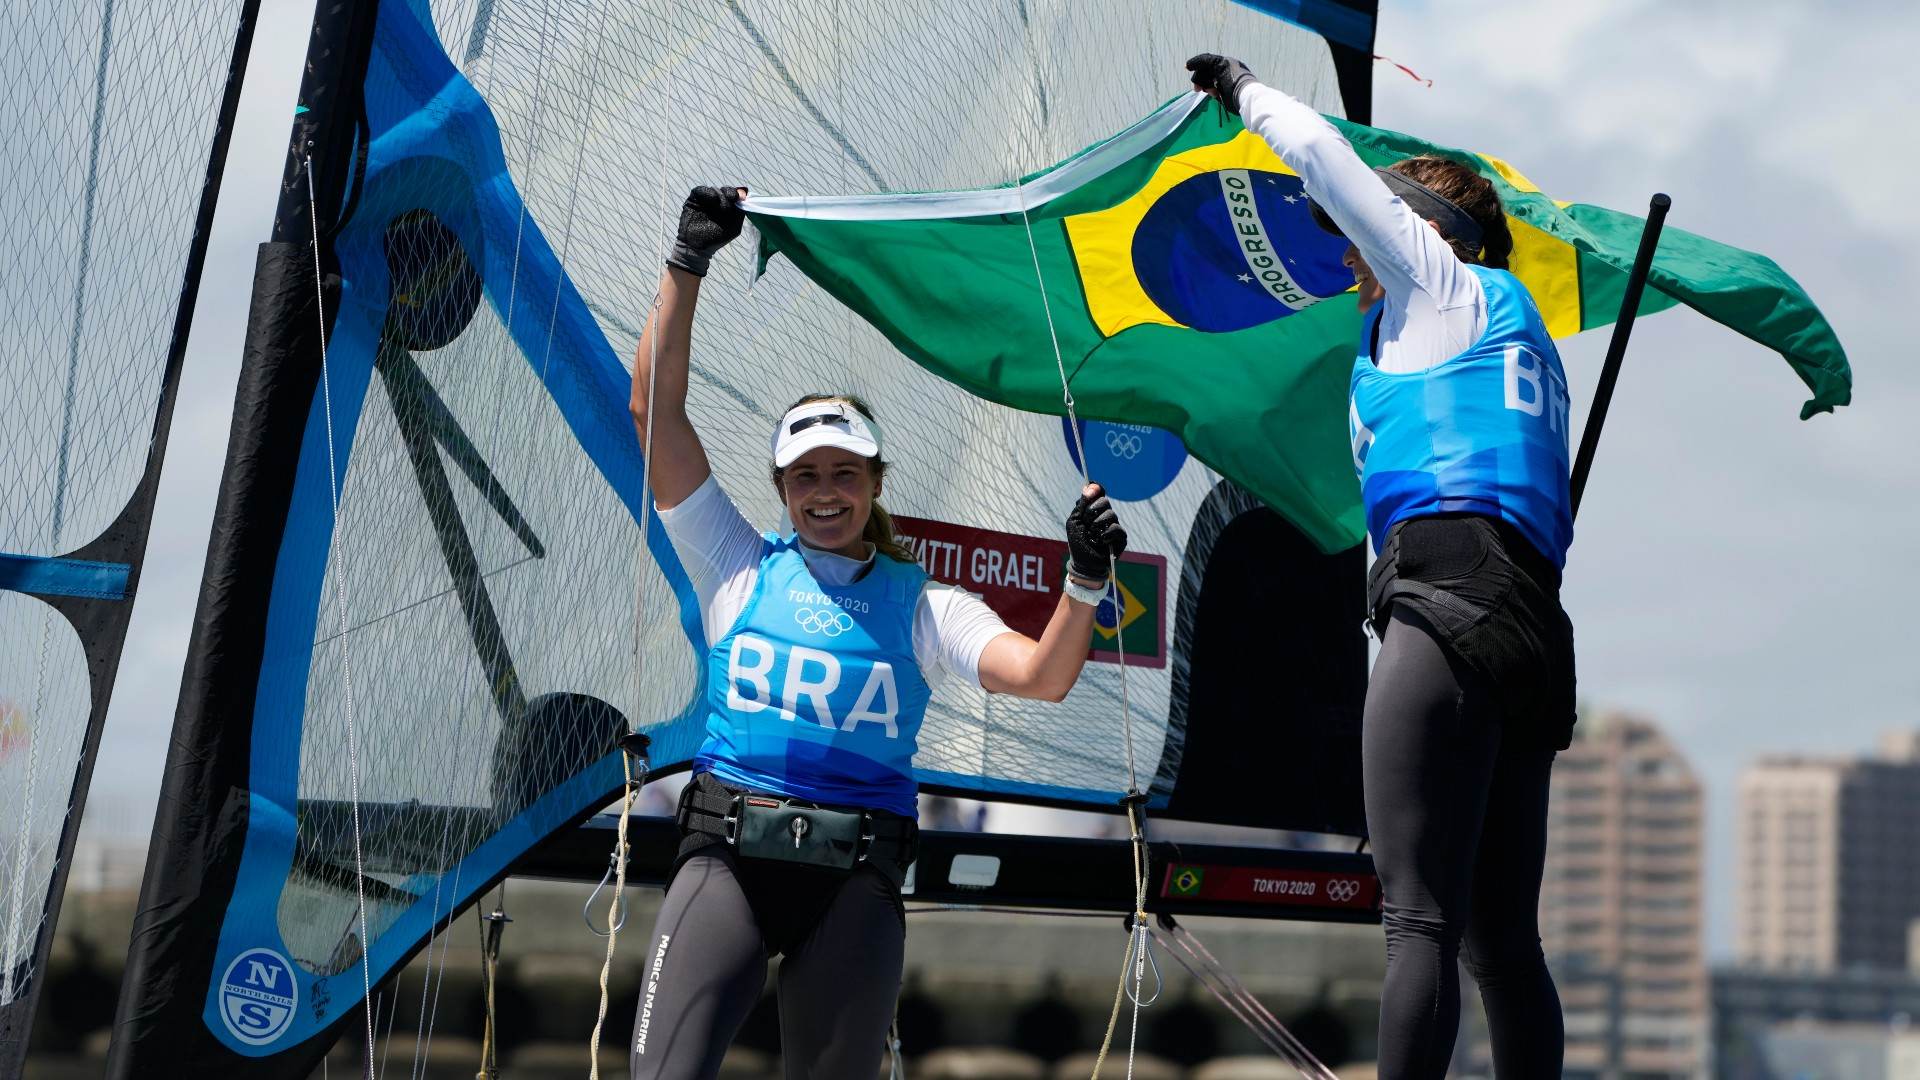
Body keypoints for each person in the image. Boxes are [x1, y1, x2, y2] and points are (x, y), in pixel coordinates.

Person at [626, 186, 1129, 1080]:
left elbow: (1043, 676)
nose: (826, 491)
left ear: (875, 482)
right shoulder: (735, 562)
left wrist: (1083, 580)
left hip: (853, 888)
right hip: (724, 870)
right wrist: (687, 263)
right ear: (782, 487)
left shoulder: (926, 606)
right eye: (806, 475)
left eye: (846, 474)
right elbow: (653, 413)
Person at [1186, 55, 1576, 1079]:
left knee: (1417, 924)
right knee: (1504, 940)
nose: (1352, 260)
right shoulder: (1511, 332)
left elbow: (1320, 156)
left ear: (1423, 234)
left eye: (1366, 239)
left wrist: (1247, 92)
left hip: (1446, 610)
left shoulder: (1440, 285)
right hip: (1532, 631)